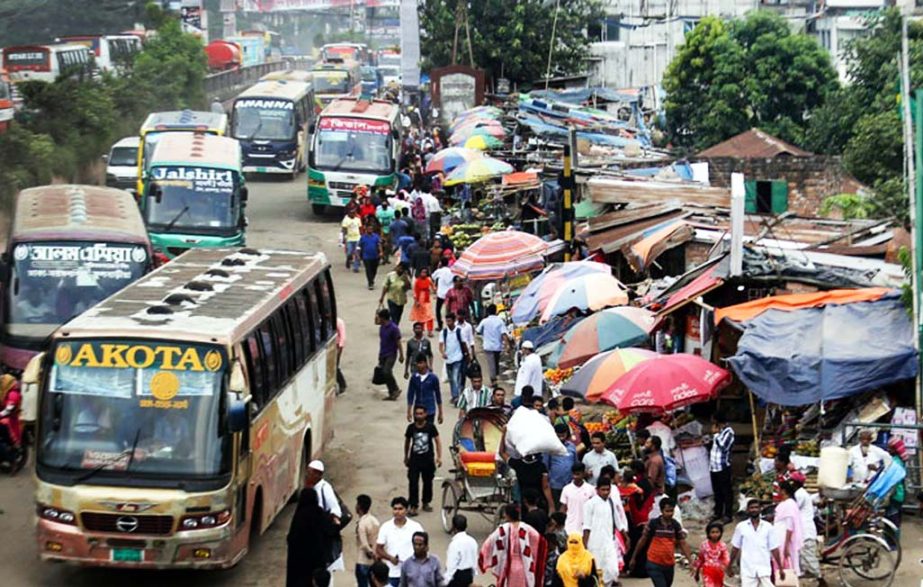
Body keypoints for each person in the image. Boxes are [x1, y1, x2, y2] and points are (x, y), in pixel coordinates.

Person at [629, 497, 692, 587]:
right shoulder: (653, 524)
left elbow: (682, 543)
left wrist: (690, 561)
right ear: (661, 511)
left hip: (669, 564)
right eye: (667, 511)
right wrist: (633, 557)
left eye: (671, 511)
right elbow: (642, 541)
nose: (670, 514)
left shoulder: (675, 525)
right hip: (654, 562)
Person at [479, 503, 547, 587]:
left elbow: (488, 543)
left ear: (507, 515)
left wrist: (484, 560)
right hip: (523, 565)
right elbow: (541, 541)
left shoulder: (503, 529)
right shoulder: (526, 528)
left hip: (507, 566)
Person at [582, 475, 628, 586]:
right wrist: (584, 547)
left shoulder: (611, 502)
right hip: (594, 543)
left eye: (608, 490)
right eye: (603, 489)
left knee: (613, 570)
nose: (605, 492)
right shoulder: (590, 504)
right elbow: (586, 527)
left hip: (609, 542)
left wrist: (626, 537)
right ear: (597, 489)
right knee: (599, 570)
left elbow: (618, 522)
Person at [728, 499, 786, 587]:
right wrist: (730, 565)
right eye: (751, 508)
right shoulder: (741, 527)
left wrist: (781, 568)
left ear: (760, 509)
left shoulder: (768, 527)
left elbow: (774, 549)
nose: (754, 510)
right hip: (748, 569)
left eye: (756, 507)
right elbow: (735, 548)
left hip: (764, 569)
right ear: (747, 510)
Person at [287, 488, 333, 587]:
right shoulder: (320, 514)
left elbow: (292, 539)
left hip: (299, 565)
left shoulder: (299, 516)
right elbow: (328, 533)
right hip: (317, 563)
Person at [376, 496, 425, 587]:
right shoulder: (386, 527)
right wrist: (390, 558)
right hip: (393, 573)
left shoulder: (415, 527)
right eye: (395, 509)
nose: (397, 511)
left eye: (400, 509)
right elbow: (379, 549)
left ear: (406, 510)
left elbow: (424, 547)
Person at [405, 404, 442, 516]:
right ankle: (413, 505)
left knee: (428, 482)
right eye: (417, 413)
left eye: (421, 413)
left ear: (425, 414)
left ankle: (426, 502)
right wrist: (406, 456)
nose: (419, 416)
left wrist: (439, 457)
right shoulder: (411, 428)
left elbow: (437, 441)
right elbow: (407, 442)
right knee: (413, 483)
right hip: (414, 460)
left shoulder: (431, 427)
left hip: (428, 460)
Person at [790, 471, 820, 580]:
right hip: (803, 529)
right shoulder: (800, 493)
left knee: (808, 555)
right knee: (802, 554)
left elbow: (792, 510)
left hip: (806, 530)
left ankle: (820, 578)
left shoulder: (800, 495)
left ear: (795, 483)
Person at [773, 480, 802, 578]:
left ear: (783, 491)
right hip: (779, 537)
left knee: (787, 564)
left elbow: (790, 527)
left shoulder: (789, 504)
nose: (777, 491)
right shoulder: (784, 503)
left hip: (783, 540)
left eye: (779, 489)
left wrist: (786, 546)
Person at [545, 423, 578, 507]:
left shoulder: (572, 447)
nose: (561, 437)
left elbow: (575, 463)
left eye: (563, 435)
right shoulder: (550, 447)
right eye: (558, 435)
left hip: (570, 483)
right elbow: (546, 465)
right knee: (558, 506)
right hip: (555, 484)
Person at [709, 416, 735, 523]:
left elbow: (724, 446)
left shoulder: (728, 433)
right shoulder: (719, 433)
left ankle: (728, 514)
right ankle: (718, 512)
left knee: (726, 491)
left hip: (723, 467)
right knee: (717, 491)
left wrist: (716, 434)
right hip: (713, 467)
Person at [559, 463, 596, 536]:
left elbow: (594, 508)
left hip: (587, 527)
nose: (575, 477)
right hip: (570, 527)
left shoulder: (591, 489)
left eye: (578, 474)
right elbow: (563, 507)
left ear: (583, 474)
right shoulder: (566, 489)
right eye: (574, 474)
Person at [439, 312, 469, 404]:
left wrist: (467, 354)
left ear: (454, 321)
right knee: (451, 379)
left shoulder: (460, 331)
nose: (448, 323)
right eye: (447, 321)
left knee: (455, 377)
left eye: (450, 321)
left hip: (458, 358)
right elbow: (440, 345)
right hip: (448, 359)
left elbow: (464, 344)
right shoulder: (443, 332)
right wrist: (443, 353)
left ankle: (456, 397)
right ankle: (455, 395)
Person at [476, 304, 508, 385]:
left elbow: (478, 331)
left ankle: (493, 379)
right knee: (496, 362)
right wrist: (507, 345)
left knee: (491, 363)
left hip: (488, 346)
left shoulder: (485, 321)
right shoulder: (500, 321)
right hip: (497, 346)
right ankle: (495, 377)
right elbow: (504, 334)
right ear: (496, 311)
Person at [406, 355, 443, 425]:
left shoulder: (433, 378)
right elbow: (410, 395)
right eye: (417, 363)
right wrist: (409, 411)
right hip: (418, 410)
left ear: (425, 363)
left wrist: (440, 413)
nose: (418, 365)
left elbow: (438, 396)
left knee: (429, 431)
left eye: (420, 363)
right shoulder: (414, 378)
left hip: (430, 410)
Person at [377, 308, 404, 400]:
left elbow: (398, 342)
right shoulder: (382, 327)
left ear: (383, 318)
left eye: (379, 318)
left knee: (386, 371)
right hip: (383, 353)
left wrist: (401, 355)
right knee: (385, 373)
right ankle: (392, 392)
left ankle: (395, 389)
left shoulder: (393, 328)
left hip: (391, 353)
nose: (378, 320)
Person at [445, 514, 479, 587]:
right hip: (469, 574)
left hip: (458, 576)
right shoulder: (472, 541)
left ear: (453, 527)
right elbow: (475, 559)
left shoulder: (454, 544)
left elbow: (451, 565)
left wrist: (446, 581)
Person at [693, 522, 730, 587]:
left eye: (717, 532)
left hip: (719, 572)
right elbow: (700, 559)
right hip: (707, 571)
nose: (715, 534)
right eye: (712, 532)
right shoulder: (704, 545)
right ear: (708, 533)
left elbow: (726, 559)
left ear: (720, 533)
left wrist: (729, 569)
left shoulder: (722, 546)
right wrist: (697, 572)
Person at [356, 494, 381, 587]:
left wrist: (371, 553)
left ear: (359, 506)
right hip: (373, 562)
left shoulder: (362, 524)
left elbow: (364, 544)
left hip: (363, 560)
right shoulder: (374, 520)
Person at [886, 437, 907, 527]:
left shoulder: (895, 462)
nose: (888, 450)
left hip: (895, 493)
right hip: (898, 493)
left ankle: (892, 539)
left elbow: (892, 479)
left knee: (892, 518)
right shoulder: (898, 461)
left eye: (891, 448)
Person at [409, 267, 435, 336]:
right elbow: (415, 292)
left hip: (427, 300)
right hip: (419, 300)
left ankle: (430, 330)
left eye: (425, 272)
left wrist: (434, 292)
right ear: (420, 273)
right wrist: (416, 301)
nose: (424, 274)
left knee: (429, 315)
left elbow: (433, 288)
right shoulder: (417, 281)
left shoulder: (429, 280)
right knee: (421, 316)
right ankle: (421, 330)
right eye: (422, 272)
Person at [431, 259, 455, 330]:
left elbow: (433, 276)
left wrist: (438, 267)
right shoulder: (451, 271)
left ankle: (440, 325)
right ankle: (451, 324)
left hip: (441, 293)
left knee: (438, 309)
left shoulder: (439, 271)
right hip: (450, 293)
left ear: (440, 263)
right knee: (449, 310)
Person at [359, 224, 384, 289]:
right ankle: (370, 282)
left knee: (374, 270)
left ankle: (372, 279)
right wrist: (358, 255)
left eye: (371, 229)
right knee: (368, 270)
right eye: (369, 229)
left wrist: (381, 252)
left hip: (375, 256)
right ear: (366, 230)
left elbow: (379, 244)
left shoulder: (376, 236)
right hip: (366, 256)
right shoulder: (363, 237)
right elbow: (360, 246)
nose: (370, 230)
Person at [336, 317, 347, 394]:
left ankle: (342, 384)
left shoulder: (339, 322)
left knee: (335, 366)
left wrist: (339, 349)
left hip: (337, 347)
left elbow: (343, 337)